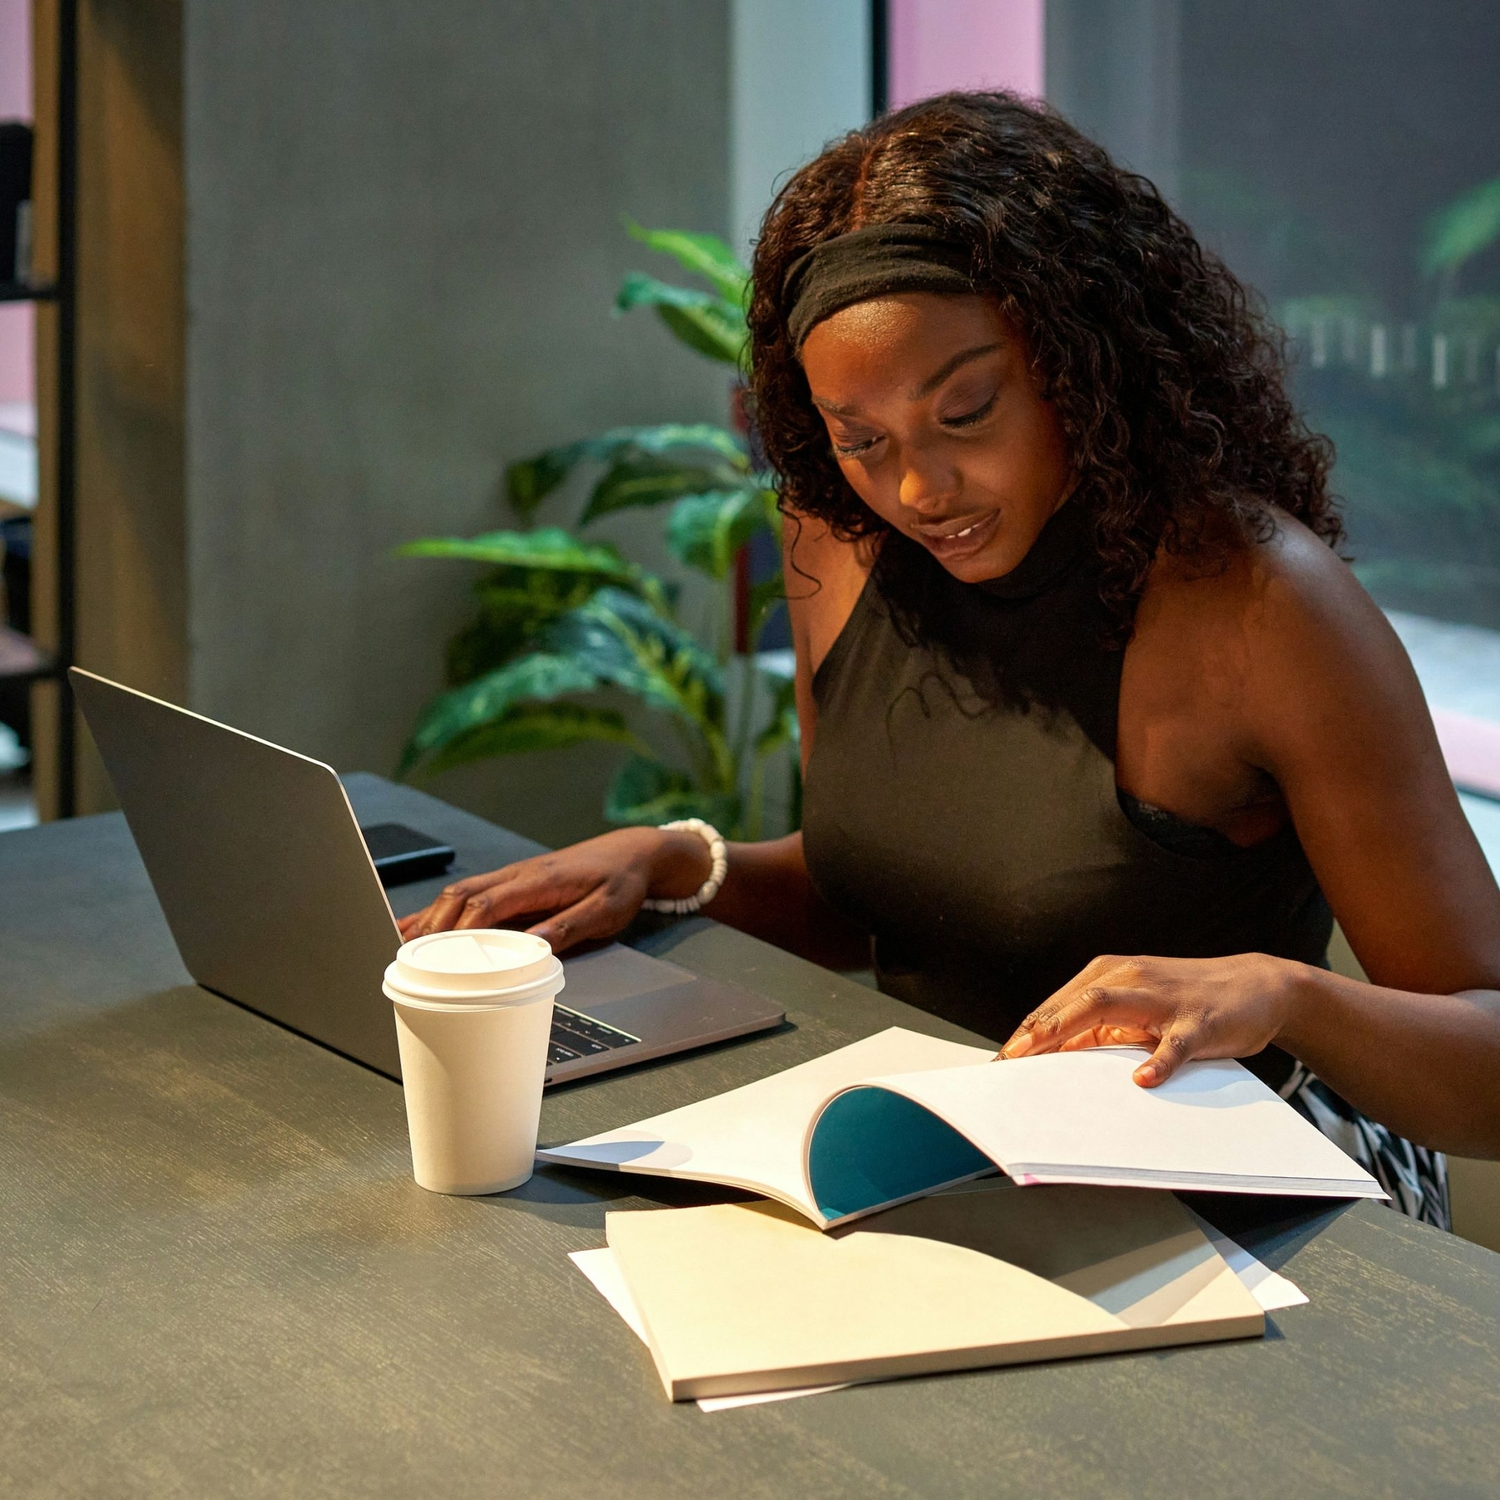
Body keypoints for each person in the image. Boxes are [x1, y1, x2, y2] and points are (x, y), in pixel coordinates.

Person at [403, 92, 1500, 1224]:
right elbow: (878, 893)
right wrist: (678, 863)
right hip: (964, 1156)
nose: (919, 490)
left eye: (966, 411)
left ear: (1081, 360)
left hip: (1268, 1173)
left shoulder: (1260, 606)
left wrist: (1282, 995)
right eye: (860, 440)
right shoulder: (840, 536)